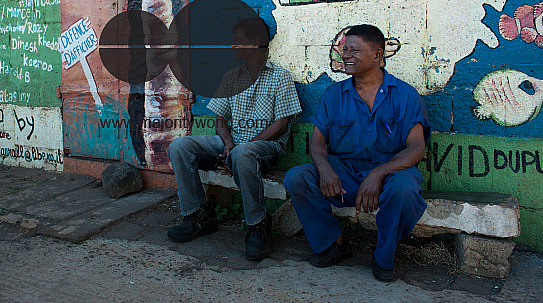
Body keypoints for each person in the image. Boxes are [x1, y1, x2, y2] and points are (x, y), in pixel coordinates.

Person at [283, 24, 429, 281]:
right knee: (298, 177)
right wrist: (325, 169)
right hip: (345, 173)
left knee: (405, 190)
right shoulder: (333, 95)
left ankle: (384, 254)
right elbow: (316, 141)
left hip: (390, 174)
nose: (346, 55)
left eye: (355, 50)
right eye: (344, 49)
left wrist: (378, 175)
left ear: (377, 55)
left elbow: (417, 147)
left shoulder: (405, 95)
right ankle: (334, 242)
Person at [167, 17, 302, 260]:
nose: (233, 45)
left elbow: (282, 124)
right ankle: (198, 214)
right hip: (235, 143)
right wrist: (229, 144)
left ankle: (258, 225)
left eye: (238, 41)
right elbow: (220, 119)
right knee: (180, 146)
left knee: (243, 154)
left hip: (266, 147)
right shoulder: (231, 76)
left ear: (255, 43)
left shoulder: (280, 77)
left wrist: (242, 148)